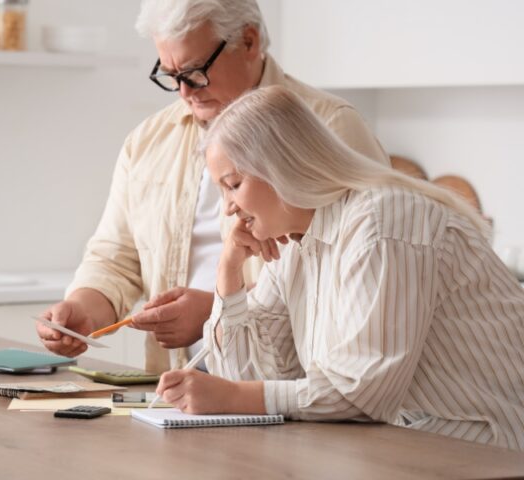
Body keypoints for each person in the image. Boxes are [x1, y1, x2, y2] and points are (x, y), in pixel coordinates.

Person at [155, 85, 524, 450]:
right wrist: (228, 272)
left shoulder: (383, 222)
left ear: (280, 166)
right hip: (399, 441)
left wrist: (234, 396)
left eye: (233, 185)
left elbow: (360, 393)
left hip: (484, 446)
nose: (228, 208)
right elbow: (248, 375)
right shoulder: (296, 244)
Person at [36, 0, 388, 373]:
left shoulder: (330, 127)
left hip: (295, 388)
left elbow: (364, 272)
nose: (184, 92)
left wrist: (219, 308)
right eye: (171, 75)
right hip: (177, 384)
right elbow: (115, 257)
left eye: (195, 71)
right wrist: (83, 308)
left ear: (249, 42)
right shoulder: (147, 142)